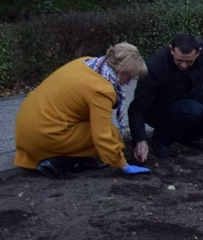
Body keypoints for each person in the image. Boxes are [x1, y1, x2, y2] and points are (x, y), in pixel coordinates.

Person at [15, 43, 151, 179]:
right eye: (130, 77)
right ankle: (59, 162)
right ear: (122, 70)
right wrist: (122, 164)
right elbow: (102, 136)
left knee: (97, 132)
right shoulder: (101, 89)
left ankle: (72, 157)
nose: (128, 83)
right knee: (113, 136)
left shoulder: (86, 63)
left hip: (25, 129)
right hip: (44, 135)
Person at [128, 34, 203, 161]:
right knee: (193, 109)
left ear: (198, 52)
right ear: (171, 50)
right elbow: (137, 107)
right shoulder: (155, 66)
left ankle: (189, 137)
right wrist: (140, 140)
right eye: (179, 60)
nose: (183, 65)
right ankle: (161, 141)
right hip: (161, 107)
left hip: (194, 96)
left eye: (188, 61)